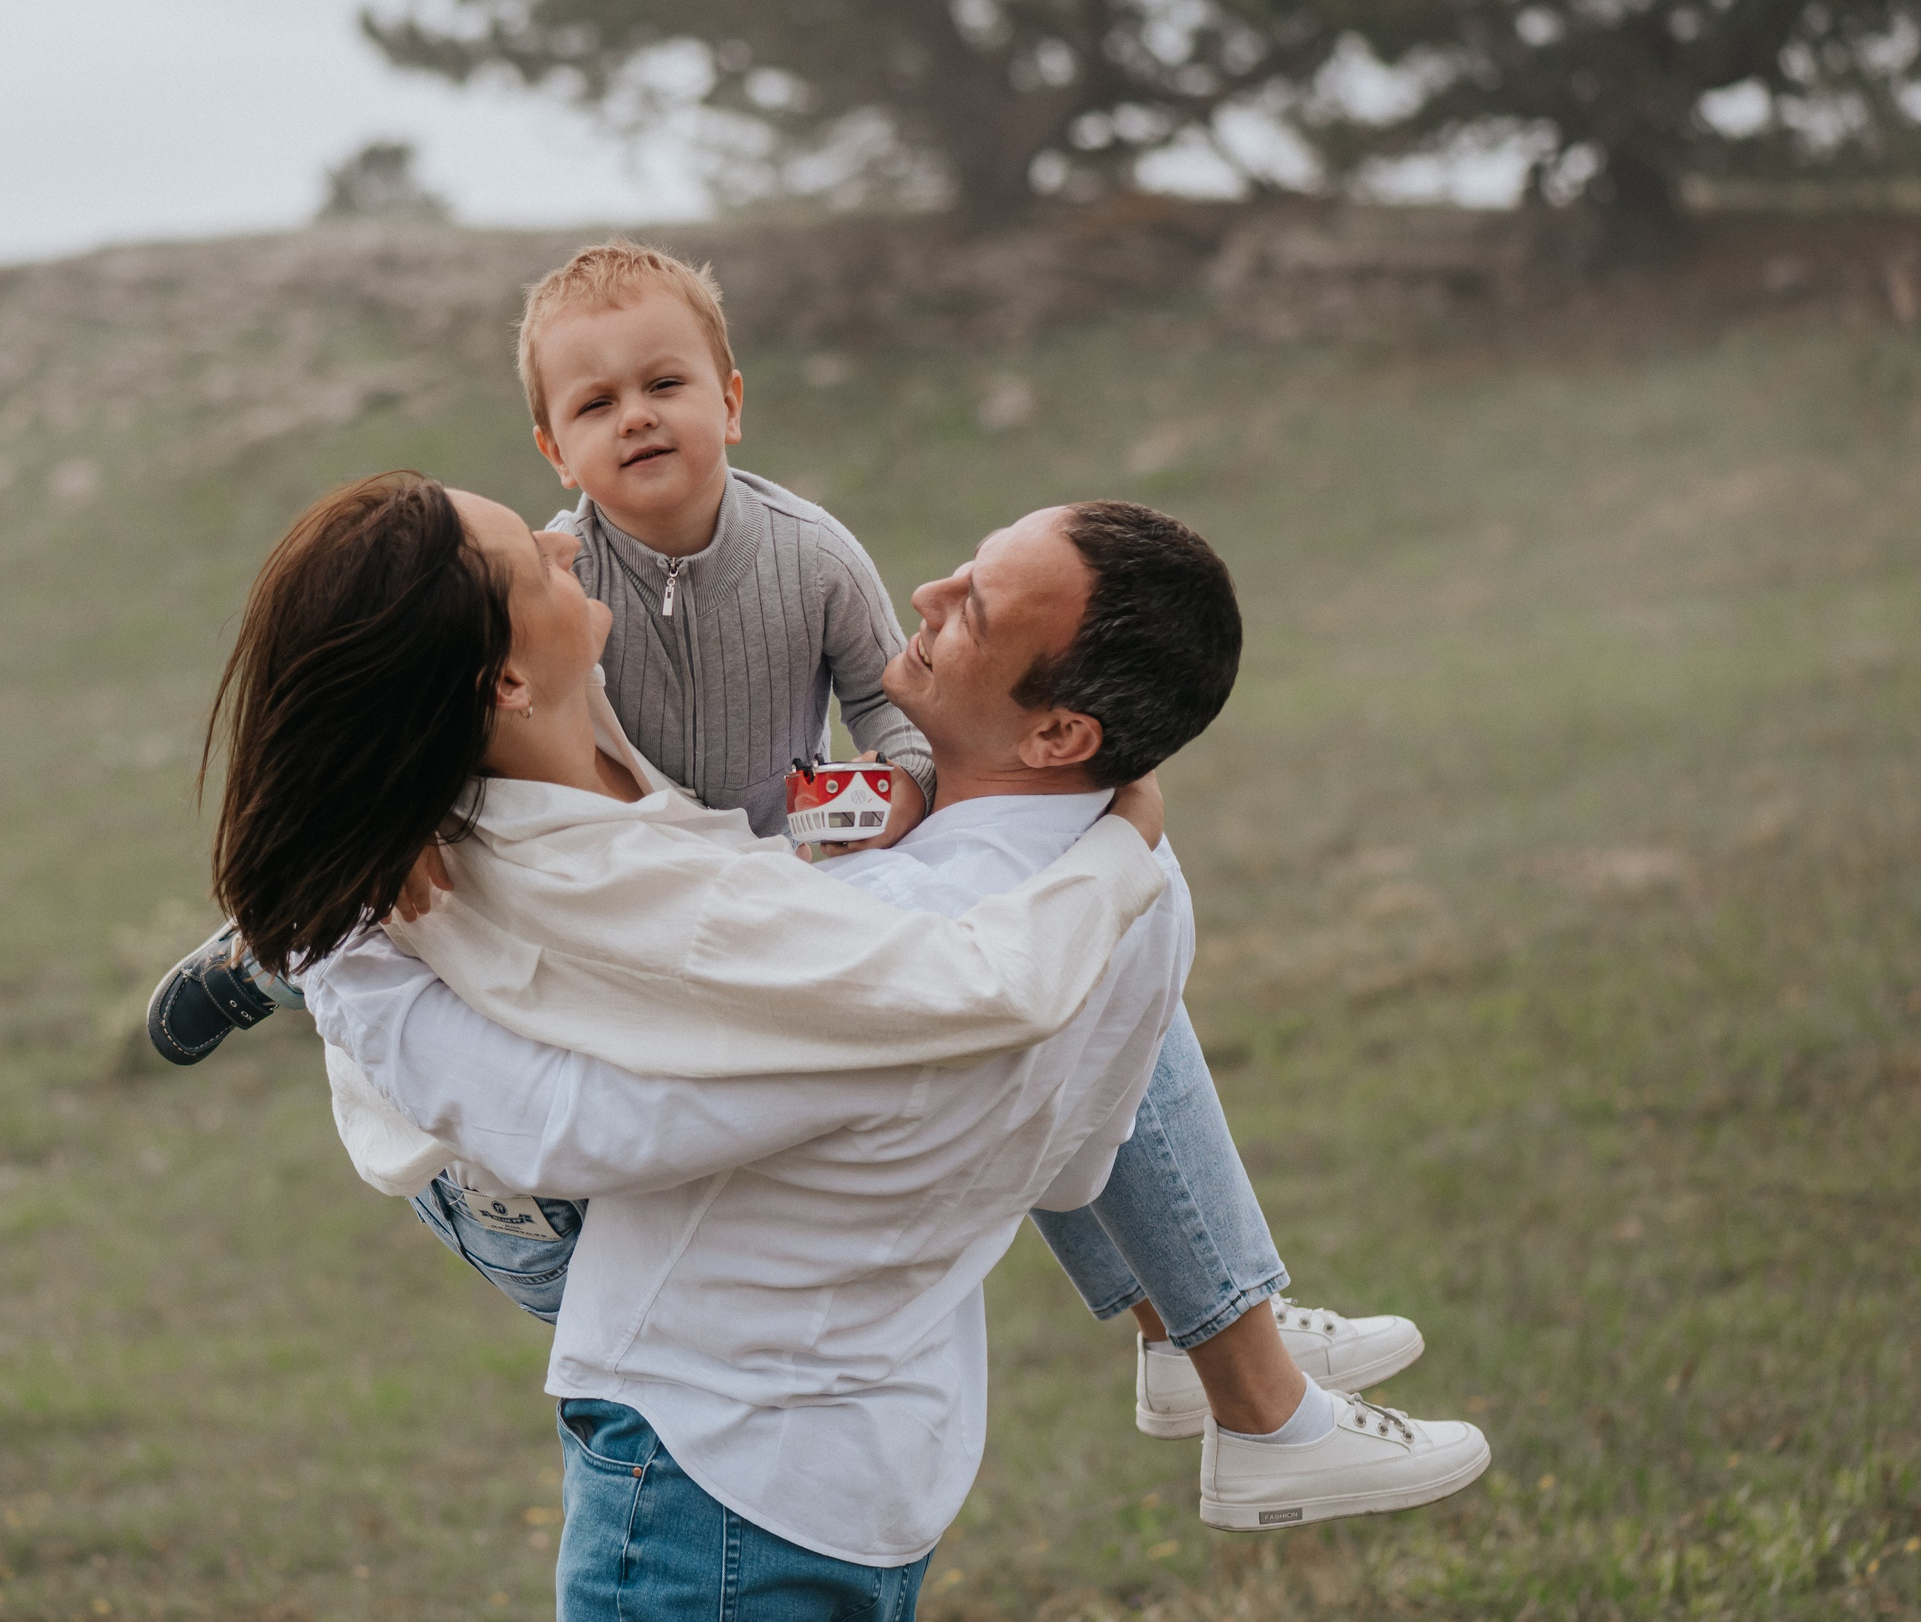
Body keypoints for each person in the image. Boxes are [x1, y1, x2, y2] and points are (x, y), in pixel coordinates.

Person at [160, 240, 1458, 1511]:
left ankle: (1217, 1333)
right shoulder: (532, 604)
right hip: (672, 964)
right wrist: (1114, 827)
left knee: (1057, 1005)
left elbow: (898, 734)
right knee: (1028, 1012)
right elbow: (418, 753)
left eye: (664, 385)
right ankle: (1225, 1349)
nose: (636, 422)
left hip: (770, 852)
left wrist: (877, 805)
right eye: (594, 405)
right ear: (555, 448)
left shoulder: (800, 555)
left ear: (730, 397)